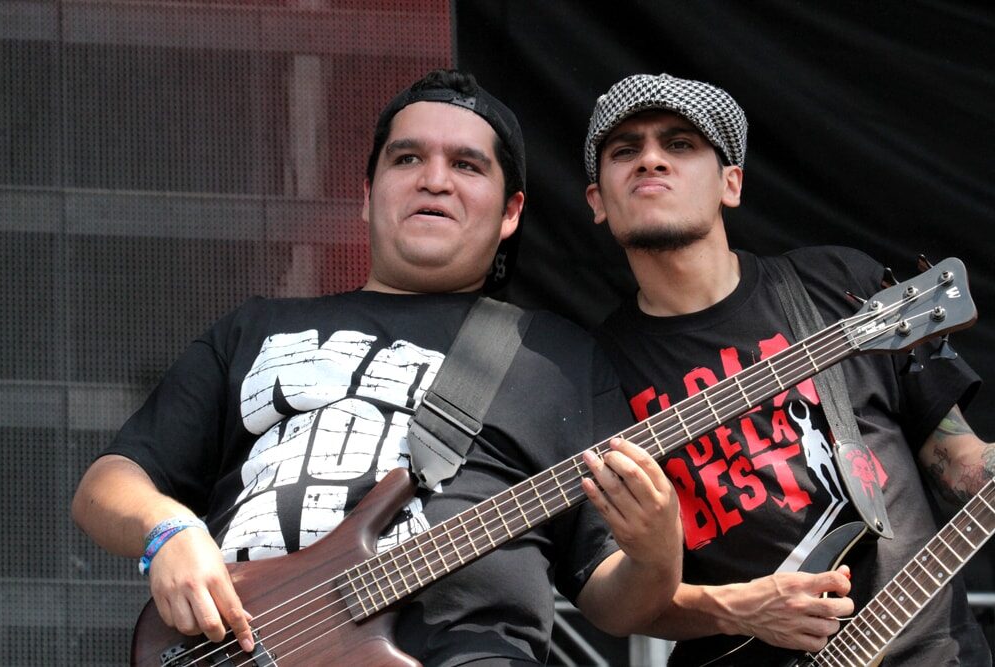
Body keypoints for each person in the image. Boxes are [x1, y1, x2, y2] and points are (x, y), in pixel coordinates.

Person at [70, 69, 683, 666]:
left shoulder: (560, 359)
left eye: (466, 165)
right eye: (407, 158)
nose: (434, 181)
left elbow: (611, 600)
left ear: (510, 212)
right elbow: (108, 484)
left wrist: (657, 558)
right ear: (367, 195)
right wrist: (167, 530)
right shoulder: (255, 327)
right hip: (236, 648)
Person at [582, 73, 994, 664]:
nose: (651, 159)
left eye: (679, 144)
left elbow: (957, 461)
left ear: (731, 183)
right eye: (625, 151)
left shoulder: (837, 285)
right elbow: (612, 599)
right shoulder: (591, 372)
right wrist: (738, 607)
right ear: (597, 200)